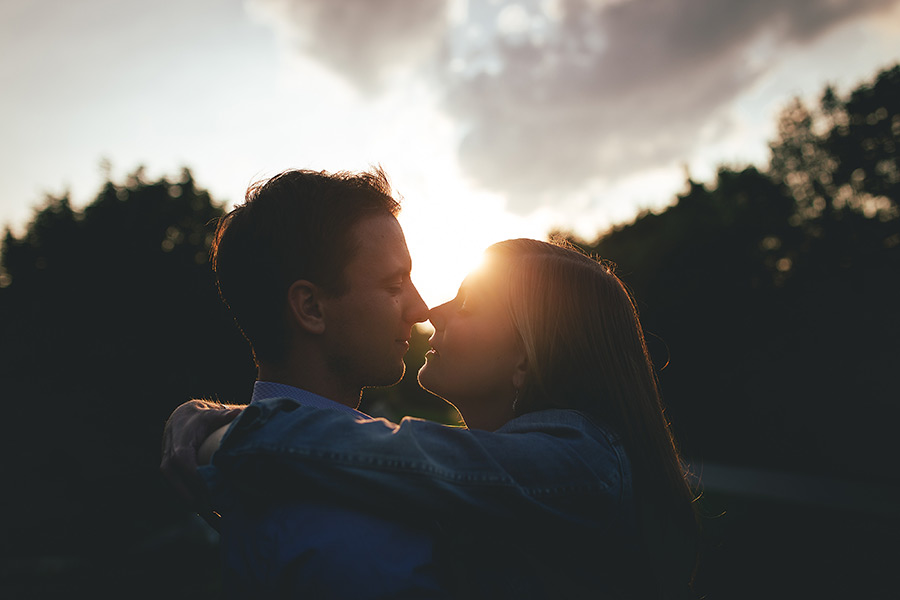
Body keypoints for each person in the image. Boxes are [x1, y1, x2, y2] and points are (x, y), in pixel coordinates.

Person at [166, 238, 700, 599]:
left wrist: (233, 432)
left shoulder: (579, 462)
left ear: (525, 357)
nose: (432, 312)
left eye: (467, 305)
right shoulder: (546, 464)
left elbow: (407, 456)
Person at [162, 166, 452, 598]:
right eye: (394, 285)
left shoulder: (252, 466)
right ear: (311, 308)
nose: (421, 308)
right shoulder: (338, 527)